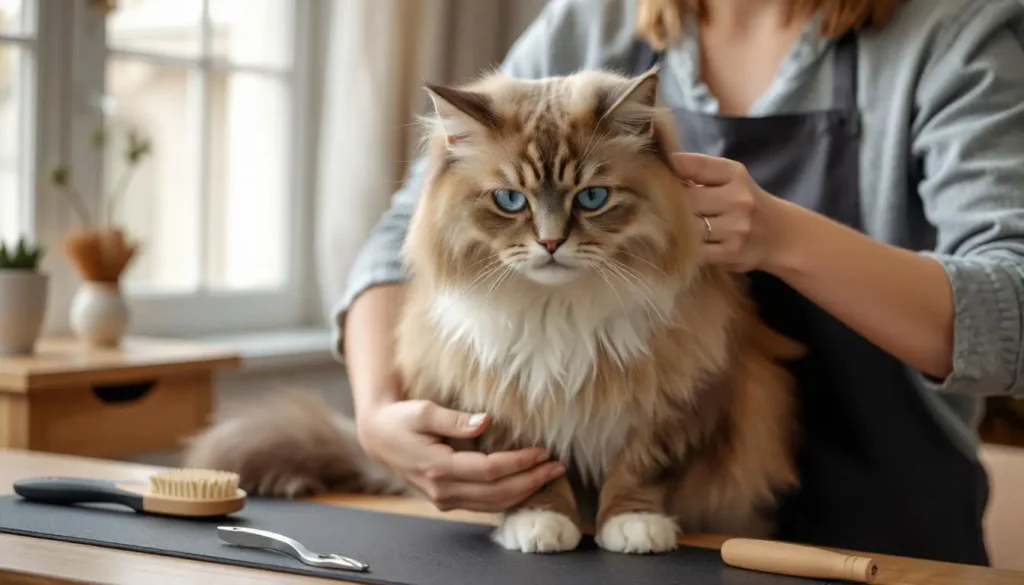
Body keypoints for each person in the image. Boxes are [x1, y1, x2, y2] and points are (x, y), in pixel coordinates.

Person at [333, 0, 1024, 566]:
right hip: (642, 541)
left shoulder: (952, 30)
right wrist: (375, 412)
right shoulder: (591, 22)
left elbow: (1013, 313)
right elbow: (408, 229)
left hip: (887, 538)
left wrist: (784, 238)